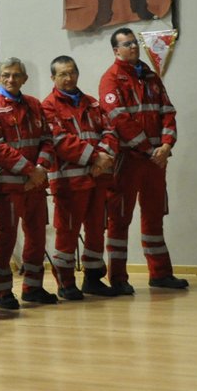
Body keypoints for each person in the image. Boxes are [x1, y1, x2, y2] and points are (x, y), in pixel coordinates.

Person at [100, 28, 186, 290]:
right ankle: (118, 278)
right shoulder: (111, 79)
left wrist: (166, 144)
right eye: (127, 44)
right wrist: (150, 150)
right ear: (116, 50)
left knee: (154, 215)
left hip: (155, 161)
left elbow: (168, 111)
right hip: (129, 160)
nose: (134, 48)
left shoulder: (150, 76)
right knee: (120, 218)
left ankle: (160, 274)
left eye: (135, 43)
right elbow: (119, 120)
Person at [0, 58, 56, 309]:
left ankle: (33, 287)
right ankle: (2, 292)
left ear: (25, 79)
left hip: (35, 185)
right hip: (7, 188)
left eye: (16, 75)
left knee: (36, 238)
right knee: (5, 240)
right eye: (6, 75)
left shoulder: (34, 104)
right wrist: (31, 171)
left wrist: (41, 168)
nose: (11, 79)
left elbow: (47, 139)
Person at [41, 55, 118, 301]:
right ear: (53, 78)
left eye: (72, 72)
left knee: (96, 230)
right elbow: (60, 140)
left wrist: (105, 156)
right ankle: (65, 283)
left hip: (98, 179)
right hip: (69, 182)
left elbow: (110, 131)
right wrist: (96, 158)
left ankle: (93, 279)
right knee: (67, 232)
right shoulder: (48, 106)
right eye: (62, 74)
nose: (69, 77)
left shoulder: (93, 103)